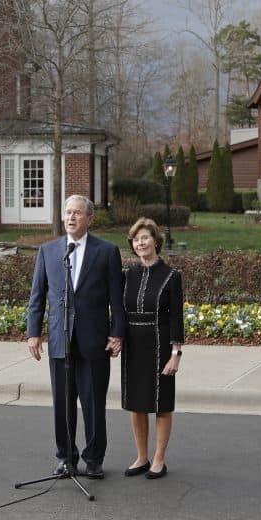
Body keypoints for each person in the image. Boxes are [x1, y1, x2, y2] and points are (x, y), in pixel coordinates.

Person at [26, 195, 126, 478]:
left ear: (89, 218)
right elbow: (37, 297)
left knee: (93, 403)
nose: (71, 218)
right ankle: (65, 457)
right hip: (60, 339)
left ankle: (94, 459)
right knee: (62, 403)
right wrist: (33, 332)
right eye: (68, 212)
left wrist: (117, 333)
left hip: (94, 340)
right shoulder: (48, 251)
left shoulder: (106, 252)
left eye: (77, 213)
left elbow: (116, 299)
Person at [121, 218, 184, 480]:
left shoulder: (171, 276)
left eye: (144, 238)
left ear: (155, 241)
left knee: (161, 404)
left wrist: (176, 355)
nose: (140, 243)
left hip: (159, 343)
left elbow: (177, 318)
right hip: (133, 344)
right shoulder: (127, 275)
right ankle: (141, 457)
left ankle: (159, 458)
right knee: (136, 404)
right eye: (136, 240)